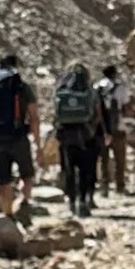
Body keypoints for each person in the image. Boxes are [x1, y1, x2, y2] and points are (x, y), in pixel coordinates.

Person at [0, 49, 36, 220]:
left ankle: (8, 214)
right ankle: (24, 202)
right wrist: (38, 142)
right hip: (18, 136)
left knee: (3, 180)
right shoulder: (21, 86)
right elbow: (34, 116)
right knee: (27, 174)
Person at [53, 62, 103, 217]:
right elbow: (98, 114)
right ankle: (83, 201)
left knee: (69, 170)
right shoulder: (90, 92)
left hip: (67, 137)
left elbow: (56, 114)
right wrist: (92, 128)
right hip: (86, 136)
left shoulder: (61, 91)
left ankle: (71, 202)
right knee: (85, 170)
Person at [97, 62, 129, 196]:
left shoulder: (96, 87)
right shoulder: (120, 88)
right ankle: (119, 186)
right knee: (119, 158)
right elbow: (126, 106)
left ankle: (104, 187)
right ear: (114, 74)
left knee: (103, 158)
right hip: (118, 127)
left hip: (101, 128)